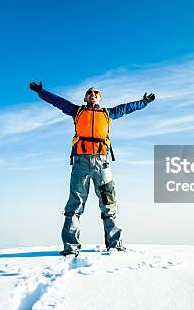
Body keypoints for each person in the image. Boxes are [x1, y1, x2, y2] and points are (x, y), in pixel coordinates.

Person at [29, 81, 155, 256]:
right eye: (90, 92)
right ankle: (71, 248)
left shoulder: (108, 113)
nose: (93, 93)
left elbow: (127, 108)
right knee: (75, 205)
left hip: (102, 164)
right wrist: (41, 92)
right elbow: (58, 101)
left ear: (100, 98)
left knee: (108, 203)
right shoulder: (77, 111)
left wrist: (144, 102)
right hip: (81, 163)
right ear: (85, 97)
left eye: (96, 92)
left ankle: (114, 245)